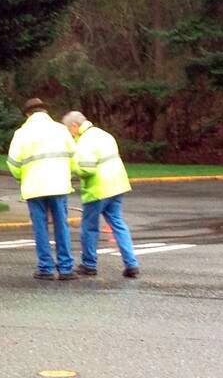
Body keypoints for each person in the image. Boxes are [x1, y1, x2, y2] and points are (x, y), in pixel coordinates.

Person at [61, 111, 140, 278]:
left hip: (98, 189)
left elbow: (87, 168)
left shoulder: (84, 141)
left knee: (89, 227)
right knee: (118, 224)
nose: (69, 134)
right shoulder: (104, 135)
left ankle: (89, 264)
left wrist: (71, 168)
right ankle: (131, 264)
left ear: (74, 126)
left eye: (69, 130)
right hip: (117, 185)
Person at [7, 98, 78, 280]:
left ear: (28, 114)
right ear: (45, 112)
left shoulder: (22, 133)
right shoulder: (61, 130)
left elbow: (13, 163)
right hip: (59, 185)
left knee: (40, 227)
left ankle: (45, 268)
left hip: (34, 186)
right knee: (61, 226)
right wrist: (66, 172)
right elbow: (73, 156)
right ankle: (65, 268)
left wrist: (22, 176)